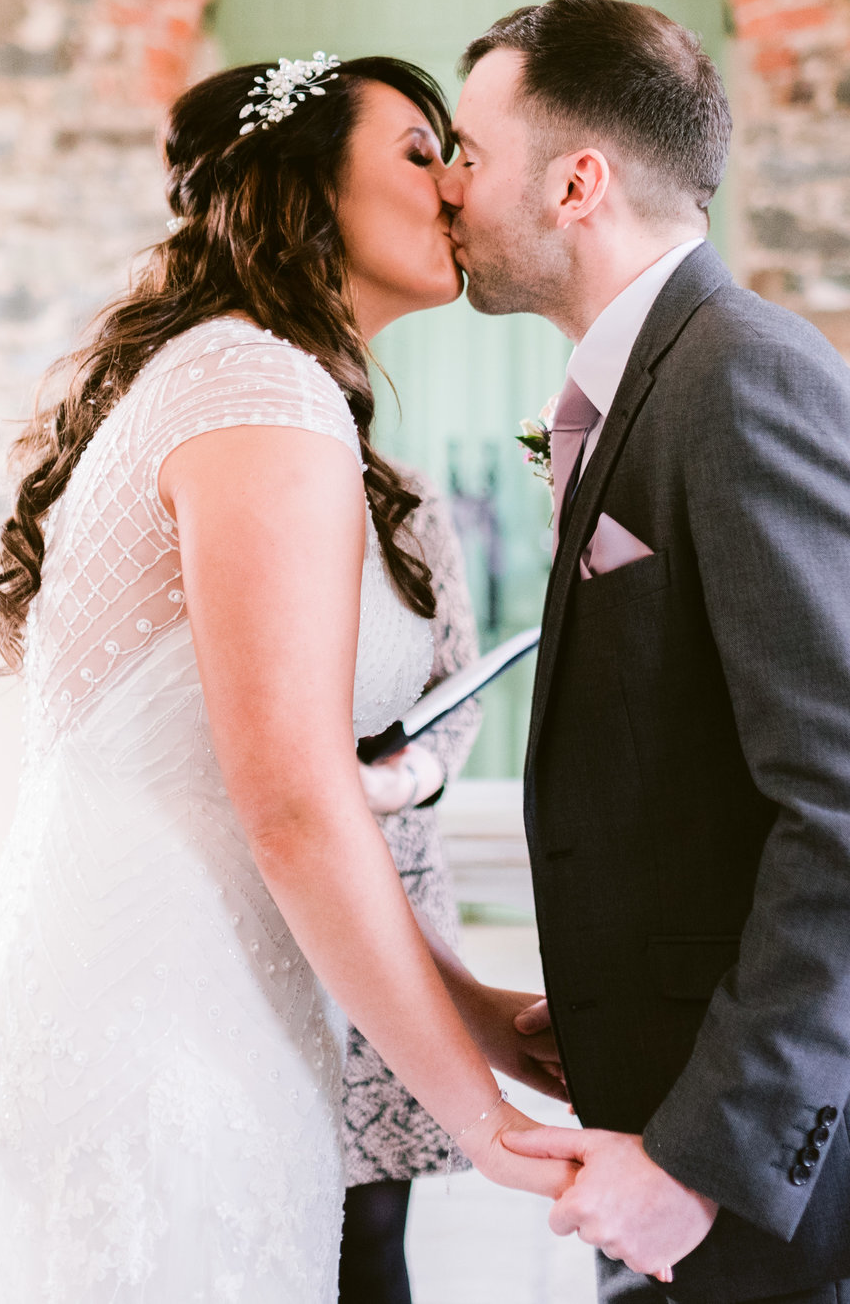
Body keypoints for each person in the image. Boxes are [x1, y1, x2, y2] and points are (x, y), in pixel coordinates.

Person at [442, 0, 850, 1302]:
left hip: (807, 1193)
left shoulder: (745, 377)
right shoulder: (650, 382)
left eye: (470, 154)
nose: (448, 187)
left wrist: (702, 1157)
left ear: (578, 181)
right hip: (686, 1098)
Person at [0, 55, 572, 1302]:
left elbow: (286, 795)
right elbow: (291, 803)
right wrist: (481, 1119)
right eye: (417, 149)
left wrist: (476, 1012)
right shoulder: (256, 390)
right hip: (159, 1014)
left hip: (198, 983)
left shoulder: (252, 379)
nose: (454, 182)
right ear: (304, 185)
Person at [341, 467, 486, 1304]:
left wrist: (407, 777)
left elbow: (457, 683)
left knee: (372, 1221)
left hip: (394, 878)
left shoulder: (407, 500)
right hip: (243, 896)